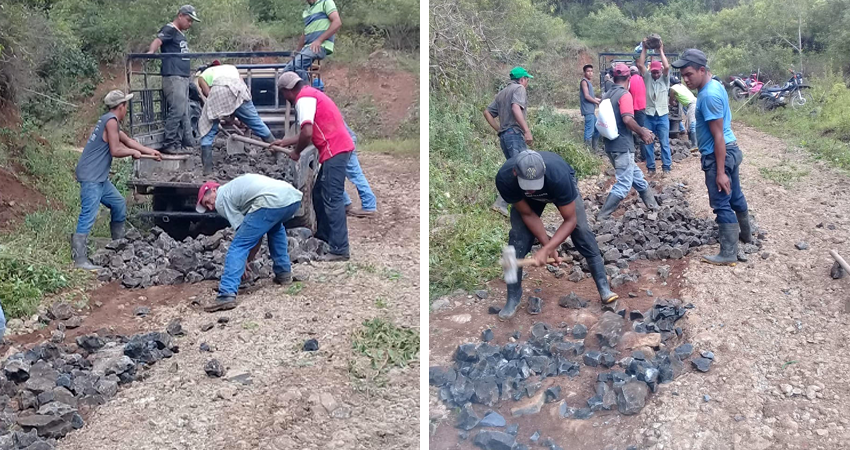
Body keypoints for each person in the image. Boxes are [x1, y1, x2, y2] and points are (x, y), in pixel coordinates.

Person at [495, 150, 619, 320]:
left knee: (582, 232)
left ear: (544, 171)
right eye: (527, 184)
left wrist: (548, 249)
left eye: (535, 184)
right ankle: (512, 297)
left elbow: (570, 220)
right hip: (527, 202)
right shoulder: (505, 178)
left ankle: (604, 288)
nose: (531, 189)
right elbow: (528, 214)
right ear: (515, 173)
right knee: (516, 240)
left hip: (557, 187)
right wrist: (547, 246)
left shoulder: (558, 176)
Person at [673, 49, 751, 265]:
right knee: (735, 195)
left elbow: (717, 136)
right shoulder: (715, 84)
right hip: (731, 149)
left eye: (689, 74)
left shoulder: (708, 96)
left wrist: (719, 172)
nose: (686, 79)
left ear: (702, 70)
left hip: (720, 153)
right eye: (683, 75)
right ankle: (746, 235)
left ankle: (728, 253)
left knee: (721, 202)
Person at [72, 90, 162, 270]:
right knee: (88, 214)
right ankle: (79, 260)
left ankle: (118, 245)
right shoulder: (111, 122)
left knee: (119, 204)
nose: (126, 110)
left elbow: (127, 141)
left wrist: (148, 151)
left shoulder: (108, 120)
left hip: (99, 176)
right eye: (126, 106)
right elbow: (116, 150)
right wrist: (133, 153)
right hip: (92, 176)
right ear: (121, 107)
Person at [272, 72, 353, 261]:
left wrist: (296, 152)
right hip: (337, 148)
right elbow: (311, 131)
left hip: (335, 149)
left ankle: (340, 249)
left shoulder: (304, 99)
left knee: (332, 198)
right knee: (318, 192)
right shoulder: (310, 94)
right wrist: (286, 142)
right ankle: (323, 238)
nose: (285, 99)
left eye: (284, 94)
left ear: (287, 91)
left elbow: (307, 133)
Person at [195, 174, 303, 312]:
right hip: (292, 198)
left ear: (214, 190)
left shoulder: (221, 198)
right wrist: (246, 259)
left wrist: (244, 261)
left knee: (238, 246)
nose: (211, 207)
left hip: (271, 201)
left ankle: (226, 294)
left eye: (207, 202)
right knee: (275, 229)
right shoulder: (234, 188)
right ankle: (284, 274)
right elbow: (254, 234)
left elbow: (246, 236)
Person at [597, 64, 658, 220]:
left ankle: (655, 208)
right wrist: (642, 132)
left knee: (637, 178)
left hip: (610, 145)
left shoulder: (606, 95)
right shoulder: (625, 95)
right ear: (629, 78)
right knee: (624, 183)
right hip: (623, 145)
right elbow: (627, 119)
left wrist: (640, 130)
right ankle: (603, 216)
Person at [195, 63, 276, 174]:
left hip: (218, 90)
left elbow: (209, 95)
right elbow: (241, 86)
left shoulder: (202, 76)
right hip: (239, 89)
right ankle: (277, 152)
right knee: (256, 123)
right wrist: (239, 118)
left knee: (208, 130)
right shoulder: (231, 68)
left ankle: (207, 170)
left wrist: (221, 116)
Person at [147, 5, 201, 154]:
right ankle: (169, 143)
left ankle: (182, 144)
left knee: (184, 111)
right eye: (189, 20)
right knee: (177, 110)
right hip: (173, 76)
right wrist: (151, 52)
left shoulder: (179, 33)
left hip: (182, 77)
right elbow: (158, 41)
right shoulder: (169, 29)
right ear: (180, 16)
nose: (190, 24)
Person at [483, 66, 534, 216]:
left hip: (505, 137)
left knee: (517, 169)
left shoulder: (501, 93)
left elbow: (487, 112)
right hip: (514, 134)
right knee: (522, 167)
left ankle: (515, 202)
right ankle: (503, 203)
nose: (527, 83)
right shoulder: (519, 89)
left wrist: (499, 129)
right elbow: (516, 108)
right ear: (522, 79)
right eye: (527, 80)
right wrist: (527, 130)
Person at [637, 37, 672, 176]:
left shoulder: (665, 80)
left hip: (662, 116)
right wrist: (644, 48)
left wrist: (661, 50)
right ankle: (651, 168)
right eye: (654, 72)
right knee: (648, 143)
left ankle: (666, 168)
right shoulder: (647, 78)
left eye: (658, 72)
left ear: (661, 71)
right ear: (651, 71)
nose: (656, 74)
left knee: (664, 143)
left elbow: (667, 67)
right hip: (649, 116)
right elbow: (640, 65)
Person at [283, 0, 342, 82]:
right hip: (308, 47)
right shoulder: (307, 10)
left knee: (298, 65)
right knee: (287, 69)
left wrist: (319, 40)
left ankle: (306, 92)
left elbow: (337, 22)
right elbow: (306, 32)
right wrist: (297, 52)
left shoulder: (325, 2)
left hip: (319, 46)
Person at [341, 123, 377, 217]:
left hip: (343, 141)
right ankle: (346, 203)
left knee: (353, 174)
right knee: (351, 173)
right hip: (347, 138)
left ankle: (368, 206)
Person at [669, 76, 697, 149]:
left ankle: (695, 145)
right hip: (694, 102)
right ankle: (691, 143)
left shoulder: (673, 88)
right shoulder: (682, 86)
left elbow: (671, 100)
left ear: (671, 83)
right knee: (688, 124)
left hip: (692, 104)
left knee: (692, 124)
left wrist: (672, 103)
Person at [579, 64, 600, 150]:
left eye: (591, 71)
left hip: (591, 111)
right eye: (588, 71)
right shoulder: (584, 82)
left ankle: (595, 149)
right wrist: (597, 102)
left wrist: (599, 100)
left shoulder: (588, 82)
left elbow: (591, 96)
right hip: (588, 111)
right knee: (589, 131)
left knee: (597, 130)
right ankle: (587, 152)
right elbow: (587, 96)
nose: (590, 73)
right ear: (584, 72)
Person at [629, 65, 647, 151]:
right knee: (642, 131)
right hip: (642, 108)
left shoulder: (628, 80)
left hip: (631, 109)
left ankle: (631, 151)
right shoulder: (642, 79)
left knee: (629, 130)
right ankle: (644, 154)